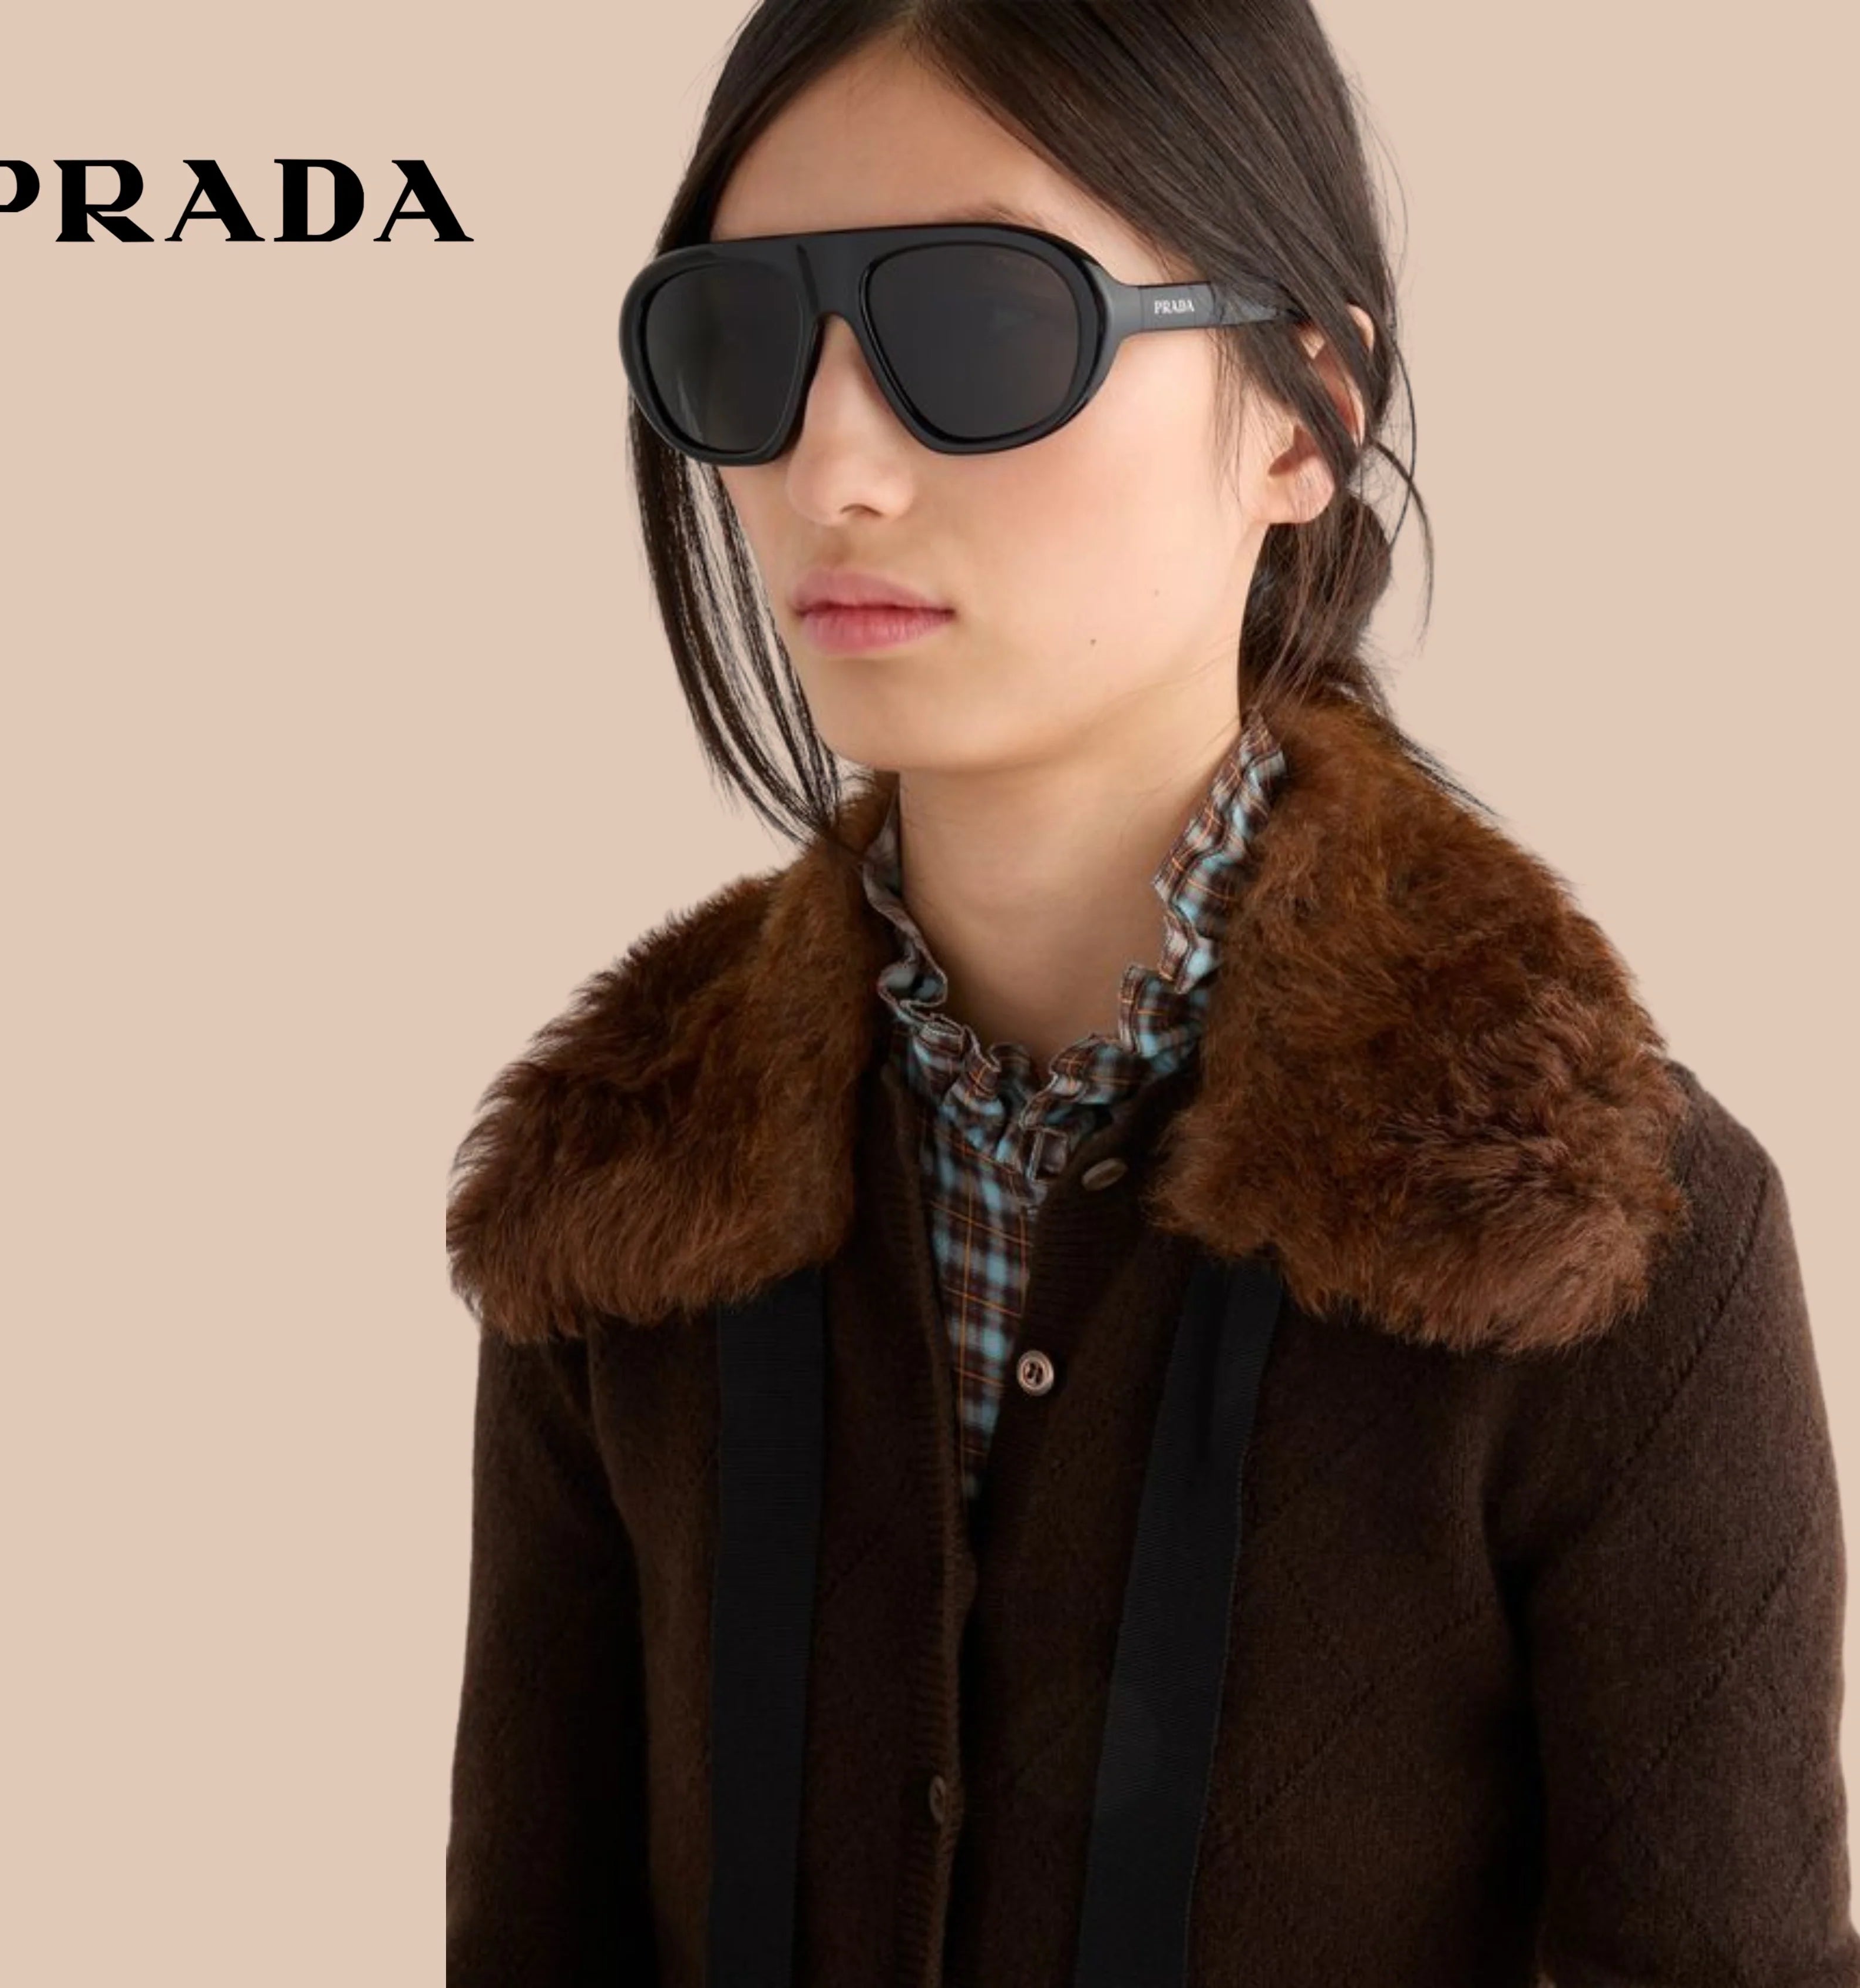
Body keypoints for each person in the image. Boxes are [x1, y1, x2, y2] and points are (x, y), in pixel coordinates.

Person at [443, 3, 1860, 1982]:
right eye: (745, 340)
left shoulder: (1613, 1240)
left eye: (981, 324)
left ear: (1306, 415)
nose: (829, 464)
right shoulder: (616, 1196)